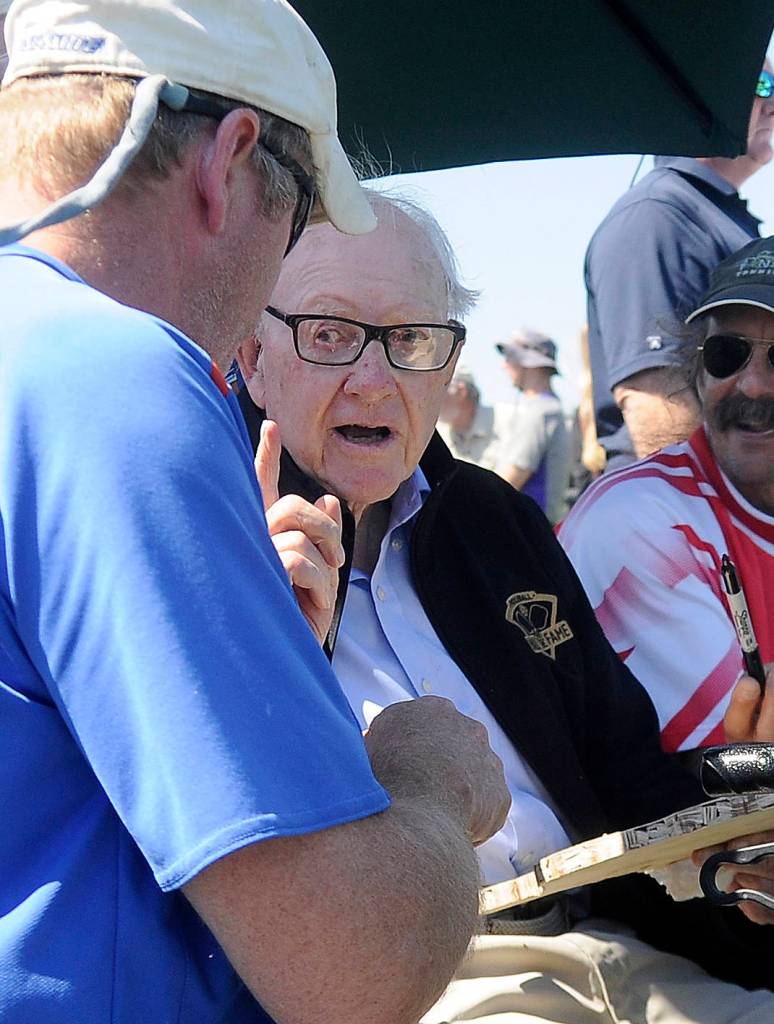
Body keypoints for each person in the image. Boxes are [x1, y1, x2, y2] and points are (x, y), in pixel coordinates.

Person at [0, 3, 511, 1022]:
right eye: (297, 211)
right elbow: (352, 971)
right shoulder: (115, 374)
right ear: (228, 159)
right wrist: (434, 784)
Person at [236, 189, 774, 1024]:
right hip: (427, 977)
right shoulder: (219, 538)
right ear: (253, 350)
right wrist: (260, 648)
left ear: (449, 366)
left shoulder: (492, 520)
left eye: (411, 339)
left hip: (620, 949)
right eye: (331, 334)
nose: (374, 379)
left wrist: (736, 845)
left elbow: (623, 767)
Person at [560, 235, 773, 757]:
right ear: (697, 372)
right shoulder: (639, 523)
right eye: (727, 354)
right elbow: (744, 769)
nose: (751, 386)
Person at [585, 61, 774, 470]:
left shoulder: (710, 214)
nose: (773, 103)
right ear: (696, 96)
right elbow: (655, 400)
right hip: (677, 519)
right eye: (761, 83)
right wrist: (715, 519)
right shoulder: (657, 216)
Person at [494, 328, 570, 524]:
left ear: (529, 363)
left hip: (527, 528)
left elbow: (509, 480)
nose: (504, 365)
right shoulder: (551, 407)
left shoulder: (539, 412)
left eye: (510, 356)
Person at [436, 362, 515, 470]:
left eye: (438, 390)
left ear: (461, 392)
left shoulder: (508, 420)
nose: (430, 400)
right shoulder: (435, 433)